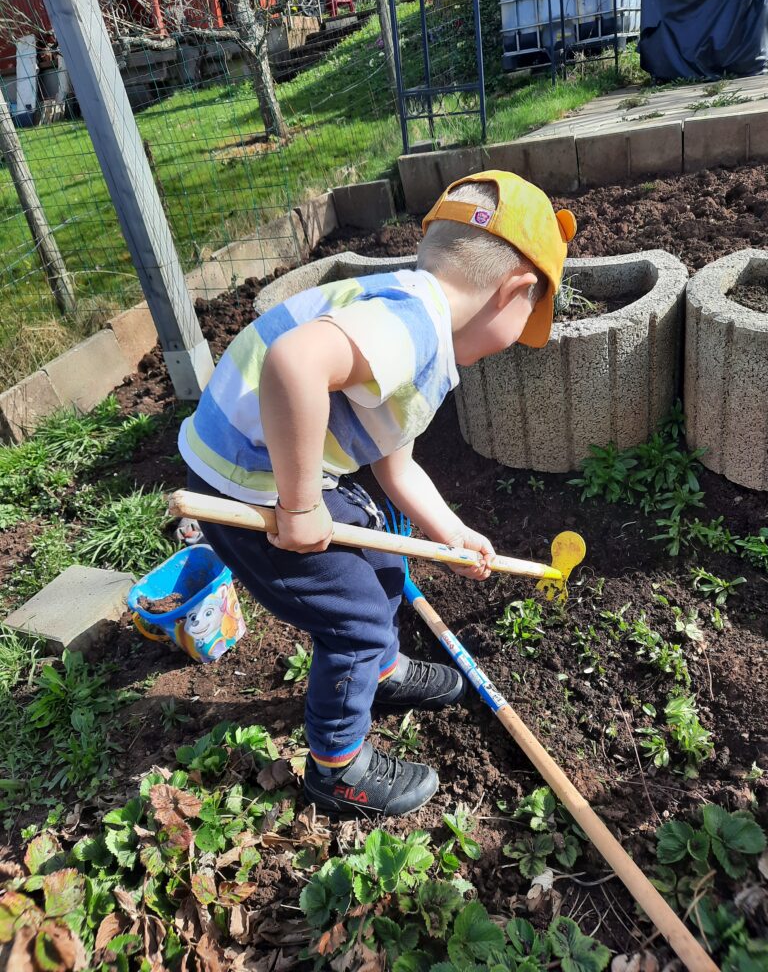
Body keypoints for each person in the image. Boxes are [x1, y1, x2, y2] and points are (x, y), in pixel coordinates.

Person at [179, 170, 576, 816]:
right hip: (245, 486)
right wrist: (301, 504)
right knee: (355, 616)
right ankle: (336, 766)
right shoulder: (413, 328)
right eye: (528, 322)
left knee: (384, 542)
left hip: (266, 466)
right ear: (515, 290)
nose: (515, 346)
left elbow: (397, 469)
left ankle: (381, 670)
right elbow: (294, 363)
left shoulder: (415, 315)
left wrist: (452, 532)